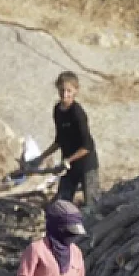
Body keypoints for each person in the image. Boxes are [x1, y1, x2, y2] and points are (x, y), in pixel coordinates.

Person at [27, 72, 101, 213]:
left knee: (93, 206)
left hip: (86, 164)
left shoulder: (78, 113)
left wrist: (68, 160)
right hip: (68, 165)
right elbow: (60, 139)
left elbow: (87, 146)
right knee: (61, 203)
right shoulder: (57, 110)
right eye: (62, 90)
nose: (65, 94)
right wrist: (41, 157)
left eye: (69, 91)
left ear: (75, 91)